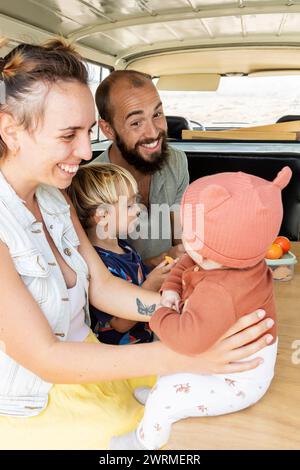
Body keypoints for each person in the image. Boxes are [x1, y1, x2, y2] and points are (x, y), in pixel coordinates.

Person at [0, 37, 274, 450]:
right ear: (10, 130)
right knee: (174, 437)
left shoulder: (54, 196)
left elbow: (101, 286)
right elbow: (46, 358)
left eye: (88, 132)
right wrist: (186, 355)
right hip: (39, 397)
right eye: (68, 134)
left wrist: (177, 308)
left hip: (92, 360)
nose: (83, 150)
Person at [110, 167, 291, 450]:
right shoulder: (234, 257)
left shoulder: (219, 291)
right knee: (167, 364)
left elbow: (188, 339)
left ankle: (144, 442)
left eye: (188, 229)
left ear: (206, 246)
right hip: (216, 355)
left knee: (167, 395)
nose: (182, 235)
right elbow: (184, 263)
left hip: (236, 379)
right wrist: (170, 288)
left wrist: (159, 316)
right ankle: (166, 392)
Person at [67, 162, 173, 345]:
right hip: (124, 353)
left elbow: (134, 276)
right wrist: (151, 284)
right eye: (129, 206)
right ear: (102, 216)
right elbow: (120, 324)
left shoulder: (123, 247)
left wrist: (158, 266)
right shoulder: (99, 264)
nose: (139, 209)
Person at [93, 70, 188, 267]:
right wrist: (160, 261)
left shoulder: (177, 161)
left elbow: (179, 237)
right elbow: (100, 275)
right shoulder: (90, 185)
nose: (153, 132)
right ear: (108, 129)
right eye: (136, 123)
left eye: (157, 114)